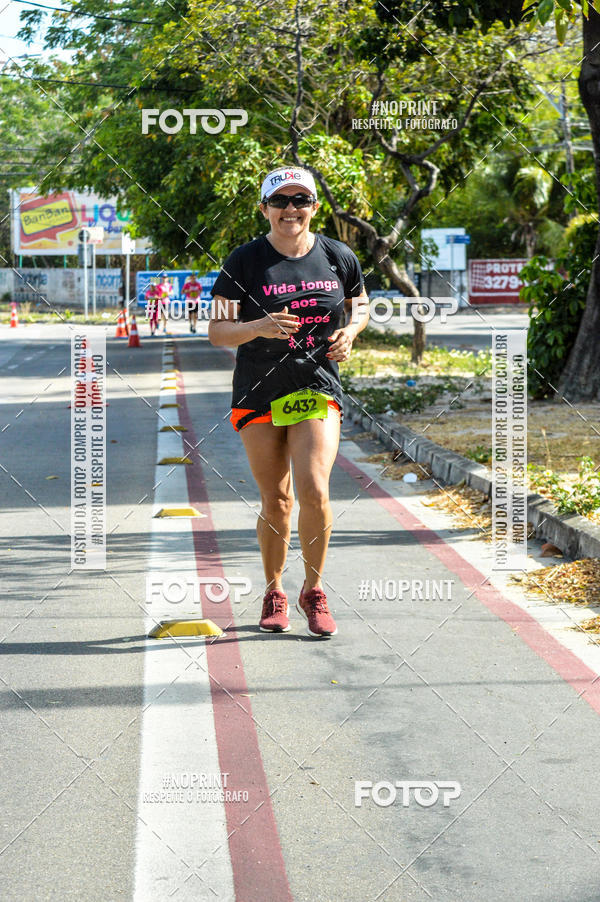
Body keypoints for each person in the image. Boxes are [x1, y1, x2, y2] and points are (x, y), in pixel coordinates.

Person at [208, 166, 370, 639]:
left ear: (314, 208)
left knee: (315, 489)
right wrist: (257, 327)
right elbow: (218, 331)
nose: (290, 210)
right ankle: (275, 590)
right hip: (259, 389)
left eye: (301, 201)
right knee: (276, 500)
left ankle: (314, 591)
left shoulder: (337, 256)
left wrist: (352, 332)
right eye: (280, 202)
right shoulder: (244, 261)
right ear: (264, 208)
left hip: (315, 386)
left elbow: (359, 301)